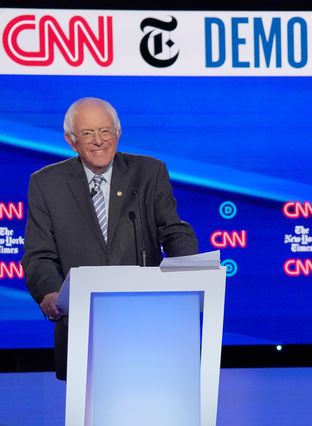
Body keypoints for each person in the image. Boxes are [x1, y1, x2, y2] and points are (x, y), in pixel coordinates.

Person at [21, 97, 198, 380]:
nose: (98, 141)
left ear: (118, 134)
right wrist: (49, 292)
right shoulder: (46, 183)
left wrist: (190, 269)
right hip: (82, 324)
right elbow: (38, 254)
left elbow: (174, 230)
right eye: (88, 133)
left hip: (148, 320)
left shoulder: (149, 173)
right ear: (71, 140)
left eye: (105, 131)